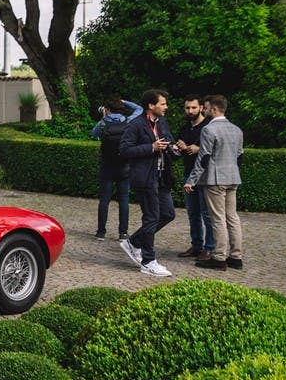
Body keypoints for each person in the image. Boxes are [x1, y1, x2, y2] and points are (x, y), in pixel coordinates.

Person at [119, 89, 178, 277]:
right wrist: (151, 148)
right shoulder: (135, 125)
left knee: (168, 214)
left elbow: (168, 140)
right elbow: (125, 150)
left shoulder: (162, 122)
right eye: (163, 104)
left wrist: (174, 147)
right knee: (151, 217)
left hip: (161, 177)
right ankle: (148, 261)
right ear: (151, 106)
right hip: (144, 177)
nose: (166, 107)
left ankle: (134, 241)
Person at [185, 95, 244, 270]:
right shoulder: (237, 129)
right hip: (233, 178)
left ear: (215, 109)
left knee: (217, 219)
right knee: (232, 218)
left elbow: (204, 158)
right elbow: (240, 156)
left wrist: (191, 180)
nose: (204, 110)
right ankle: (236, 257)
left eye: (207, 107)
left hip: (215, 180)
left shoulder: (209, 130)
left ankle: (218, 258)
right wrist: (233, 172)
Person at [90, 98, 143, 240]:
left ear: (107, 109)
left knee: (104, 200)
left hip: (107, 166)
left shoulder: (102, 123)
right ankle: (123, 233)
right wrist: (125, 101)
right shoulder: (129, 121)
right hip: (124, 166)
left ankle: (101, 232)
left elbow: (93, 134)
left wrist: (104, 117)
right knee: (124, 200)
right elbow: (140, 109)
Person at [176, 93, 216, 261]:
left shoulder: (209, 126)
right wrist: (180, 148)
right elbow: (180, 152)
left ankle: (210, 248)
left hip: (206, 175)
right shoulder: (184, 128)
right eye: (187, 107)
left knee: (207, 214)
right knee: (193, 212)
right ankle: (196, 245)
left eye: (194, 107)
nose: (190, 110)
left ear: (201, 108)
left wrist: (198, 149)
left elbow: (218, 149)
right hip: (188, 172)